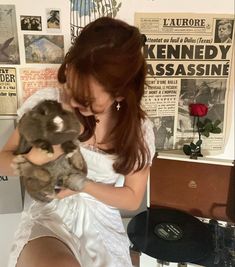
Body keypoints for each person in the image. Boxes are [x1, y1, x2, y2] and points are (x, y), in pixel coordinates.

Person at [0, 17, 155, 267]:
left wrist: (82, 185)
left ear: (119, 94)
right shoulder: (47, 104)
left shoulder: (138, 130)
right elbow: (2, 162)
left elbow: (132, 197)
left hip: (101, 223)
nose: (72, 103)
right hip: (49, 214)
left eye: (87, 101)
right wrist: (29, 159)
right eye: (71, 87)